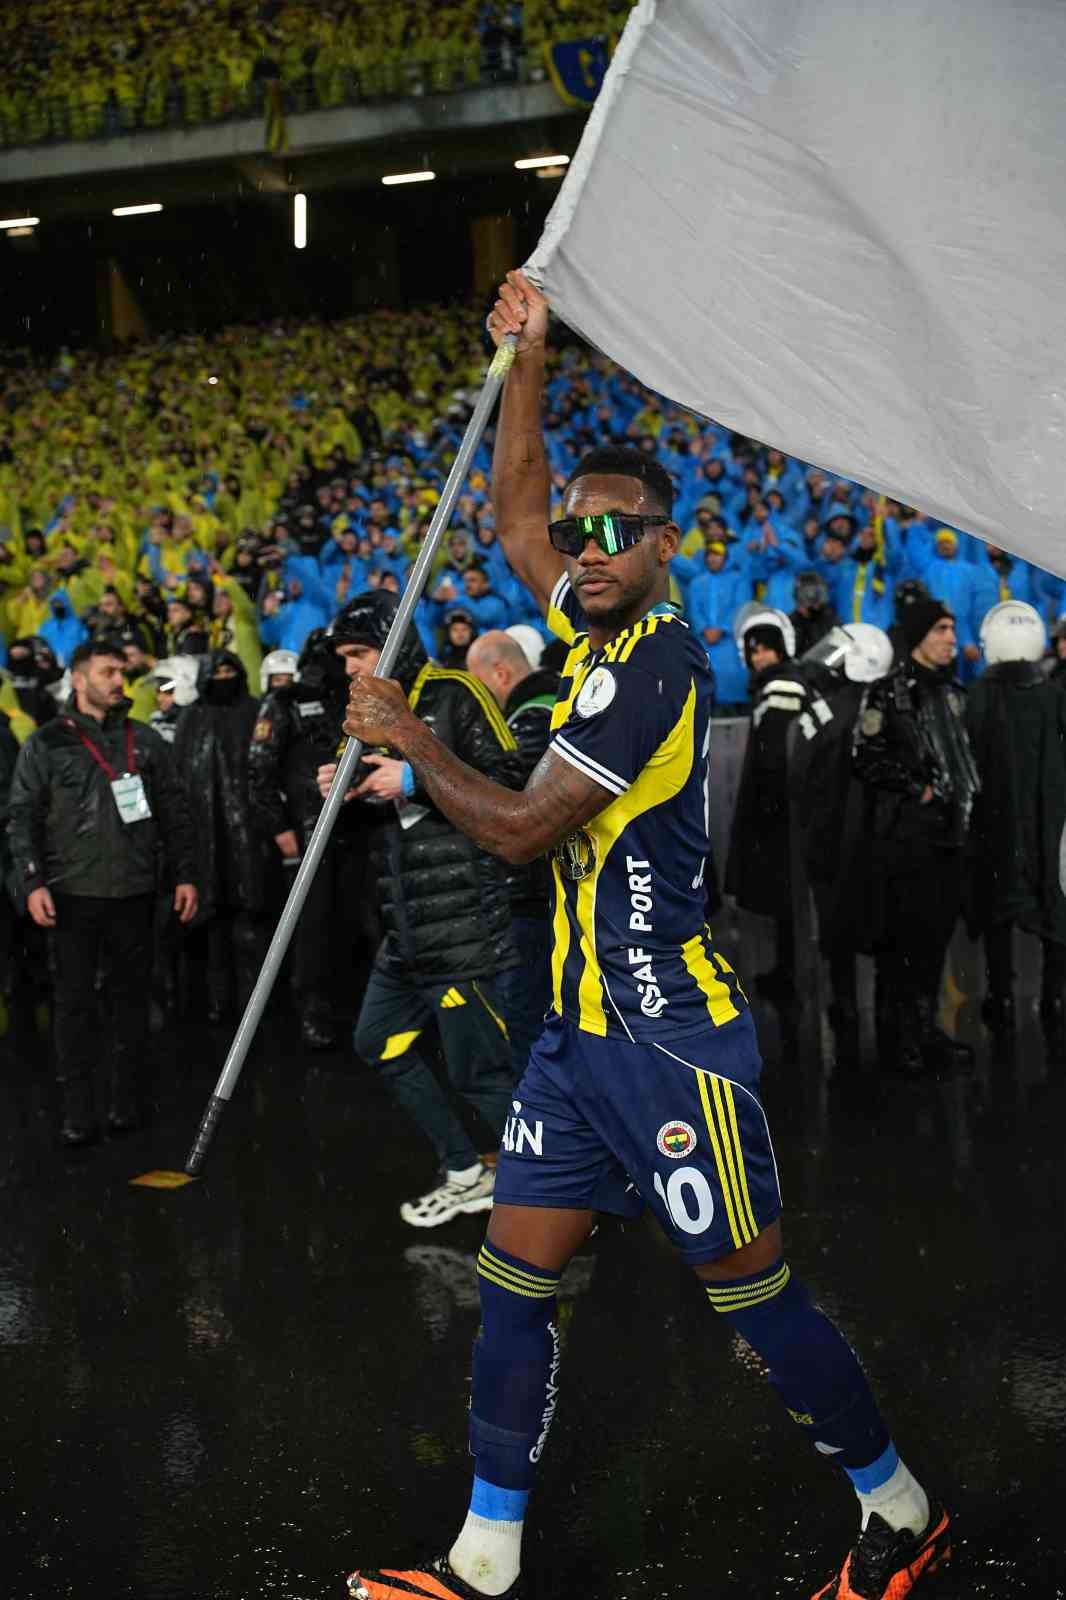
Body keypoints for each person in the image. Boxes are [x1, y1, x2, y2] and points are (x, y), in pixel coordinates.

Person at [343, 270, 949, 1600]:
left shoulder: (657, 667)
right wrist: (526, 360)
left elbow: (517, 831)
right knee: (512, 1280)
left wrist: (413, 738)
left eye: (620, 531)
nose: (590, 546)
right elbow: (514, 514)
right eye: (584, 531)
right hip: (574, 1044)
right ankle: (483, 1559)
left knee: (754, 1298)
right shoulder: (582, 614)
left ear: (667, 545)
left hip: (665, 1041)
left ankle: (898, 1508)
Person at [318, 591, 522, 1230]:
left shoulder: (457, 694)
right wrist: (346, 791)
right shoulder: (362, 715)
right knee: (377, 1040)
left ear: (396, 642)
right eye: (344, 657)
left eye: (360, 652)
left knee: (483, 1075)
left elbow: (511, 784)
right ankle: (466, 1170)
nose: (350, 667)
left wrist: (411, 780)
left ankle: (556, 1196)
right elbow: (372, 817)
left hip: (464, 924)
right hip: (405, 927)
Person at [8, 639, 198, 1145]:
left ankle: (124, 1102)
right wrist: (31, 881)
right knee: (73, 1006)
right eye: (107, 672)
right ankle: (78, 1110)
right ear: (78, 679)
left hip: (135, 893)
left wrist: (185, 874)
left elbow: (176, 812)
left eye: (120, 671)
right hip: (72, 894)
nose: (119, 680)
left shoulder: (144, 740)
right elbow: (22, 817)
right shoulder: (47, 743)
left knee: (130, 1002)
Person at [853, 598, 979, 1076]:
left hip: (950, 836)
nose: (951, 638)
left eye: (952, 629)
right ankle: (897, 1038)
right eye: (941, 629)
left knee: (934, 940)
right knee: (900, 942)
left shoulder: (955, 693)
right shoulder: (888, 693)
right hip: (905, 838)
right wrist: (916, 787)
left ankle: (926, 1030)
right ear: (920, 635)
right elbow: (864, 755)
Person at [247, 627, 374, 1050]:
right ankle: (312, 1010)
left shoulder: (355, 698)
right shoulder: (285, 701)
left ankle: (350, 1006)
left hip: (354, 827)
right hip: (307, 831)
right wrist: (279, 828)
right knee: (312, 927)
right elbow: (259, 769)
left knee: (353, 921)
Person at [964, 601, 1066, 1036]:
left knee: (996, 903)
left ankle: (1001, 994)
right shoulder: (1055, 696)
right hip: (1049, 825)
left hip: (996, 826)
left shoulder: (975, 698)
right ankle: (1054, 995)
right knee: (1055, 899)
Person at [465, 627, 560, 1078]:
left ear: (501, 674)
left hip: (532, 896)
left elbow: (507, 795)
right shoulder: (556, 704)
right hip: (548, 892)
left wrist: (415, 778)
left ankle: (541, 1117)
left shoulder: (532, 719)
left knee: (527, 1020)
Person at [173, 650, 269, 1023]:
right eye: (219, 671)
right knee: (211, 922)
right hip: (203, 834)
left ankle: (253, 1002)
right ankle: (218, 1001)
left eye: (231, 670)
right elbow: (179, 778)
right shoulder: (191, 717)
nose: (224, 677)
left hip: (249, 833)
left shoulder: (255, 711)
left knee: (251, 917)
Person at [725, 608, 808, 1024]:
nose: (760, 658)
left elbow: (776, 754)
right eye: (754, 651)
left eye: (766, 649)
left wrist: (767, 807)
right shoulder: (773, 684)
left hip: (780, 809)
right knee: (783, 897)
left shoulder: (781, 686)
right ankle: (786, 971)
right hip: (779, 808)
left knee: (786, 895)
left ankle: (791, 977)